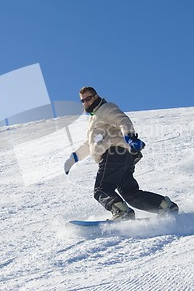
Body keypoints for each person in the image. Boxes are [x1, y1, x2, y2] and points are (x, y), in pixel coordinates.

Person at [64, 86, 179, 221]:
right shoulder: (94, 117)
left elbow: (122, 120)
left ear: (95, 96)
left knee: (101, 189)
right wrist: (73, 158)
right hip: (124, 157)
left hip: (113, 154)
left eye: (88, 99)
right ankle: (164, 206)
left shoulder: (105, 109)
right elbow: (88, 144)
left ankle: (121, 212)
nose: (85, 103)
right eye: (82, 101)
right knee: (130, 193)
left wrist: (130, 137)